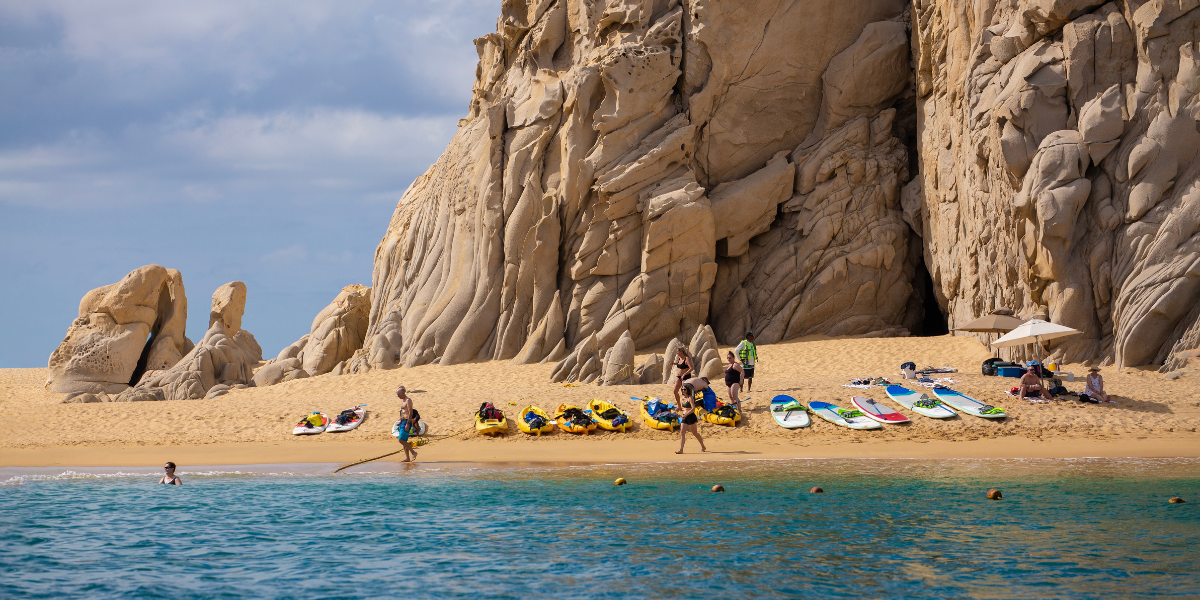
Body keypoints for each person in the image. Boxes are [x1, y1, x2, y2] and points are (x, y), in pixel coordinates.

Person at [676, 380, 707, 454]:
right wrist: (678, 409)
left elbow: (693, 408)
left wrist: (686, 414)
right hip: (684, 417)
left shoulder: (690, 398)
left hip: (691, 417)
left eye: (684, 389)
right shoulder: (682, 398)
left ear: (687, 390)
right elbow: (683, 408)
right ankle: (681, 449)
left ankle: (703, 446)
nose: (683, 391)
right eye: (682, 389)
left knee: (695, 433)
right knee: (682, 433)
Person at [396, 386, 418, 463]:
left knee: (401, 439)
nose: (397, 396)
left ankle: (413, 452)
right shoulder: (403, 400)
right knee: (404, 440)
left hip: (406, 422)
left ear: (403, 393)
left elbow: (410, 412)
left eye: (398, 394)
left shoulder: (408, 400)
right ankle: (407, 458)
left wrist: (408, 423)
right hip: (402, 421)